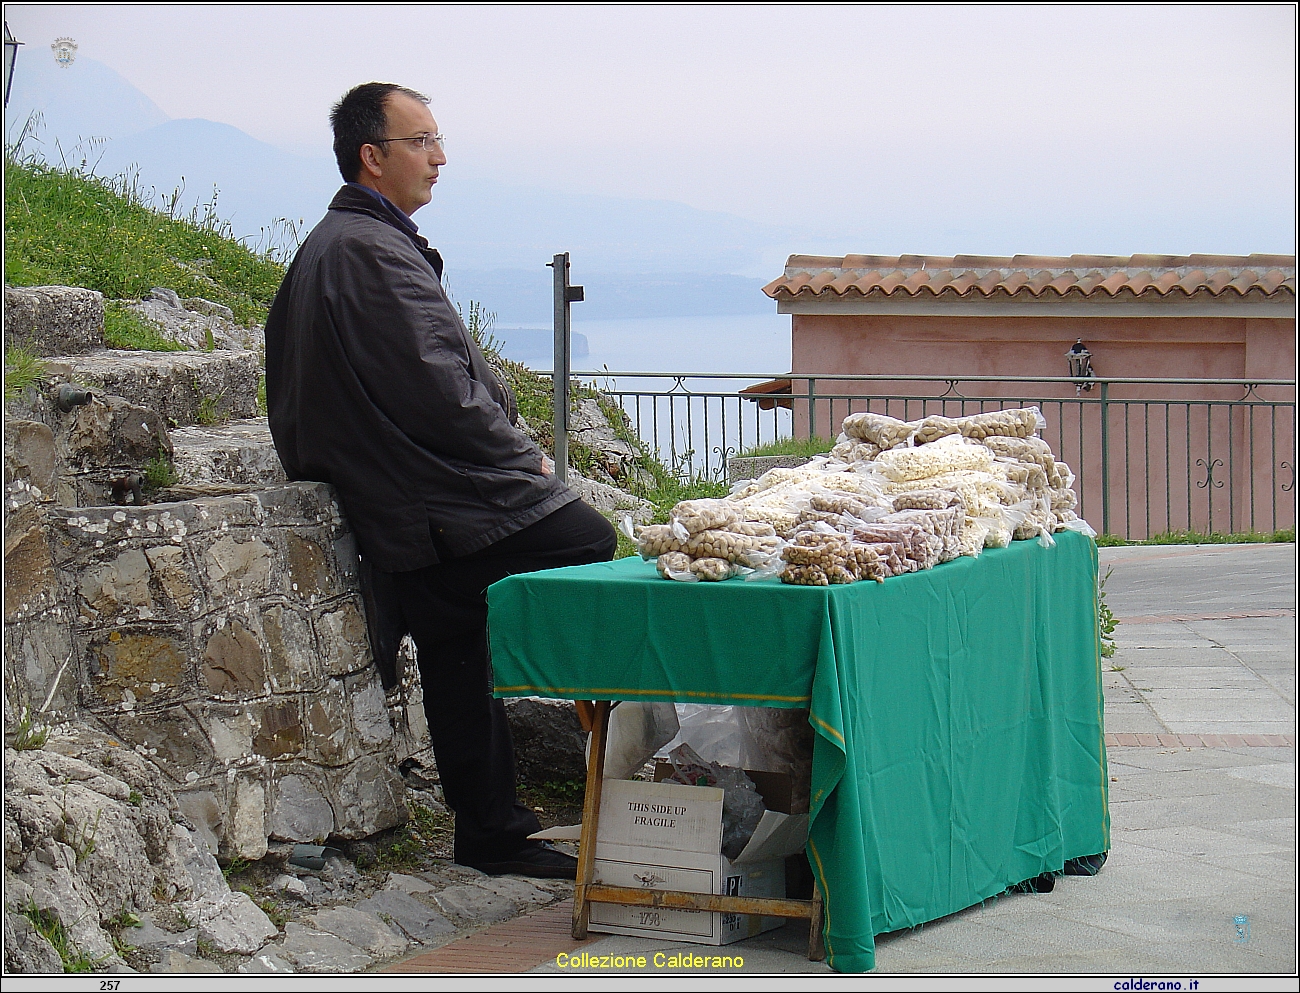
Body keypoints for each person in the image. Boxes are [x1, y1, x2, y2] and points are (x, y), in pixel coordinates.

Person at [264, 82, 617, 879]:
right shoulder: (368, 251)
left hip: (401, 508)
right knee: (591, 541)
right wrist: (519, 457)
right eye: (421, 141)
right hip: (432, 504)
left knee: (459, 639)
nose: (440, 157)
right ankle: (632, 779)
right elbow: (442, 392)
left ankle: (489, 829)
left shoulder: (343, 245)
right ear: (372, 157)